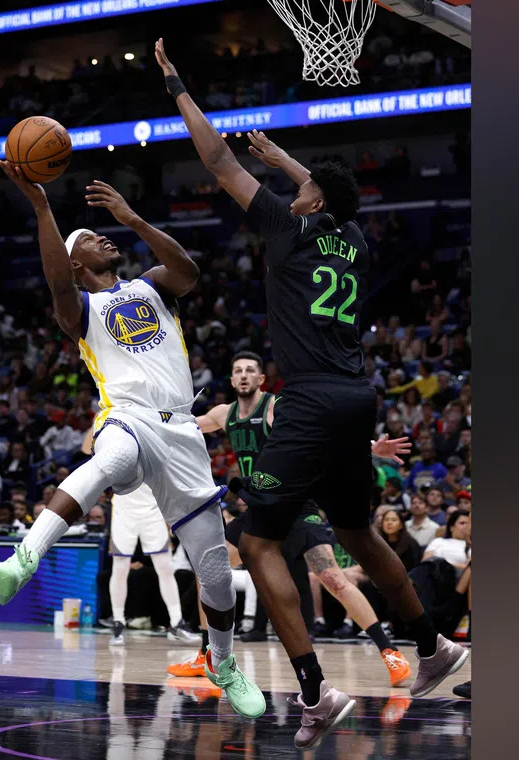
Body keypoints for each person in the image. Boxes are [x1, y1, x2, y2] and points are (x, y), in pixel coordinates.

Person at [157, 38, 468, 748]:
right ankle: (433, 646)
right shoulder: (354, 237)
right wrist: (295, 166)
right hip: (357, 395)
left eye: (301, 187)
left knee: (258, 542)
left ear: (311, 199)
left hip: (310, 401)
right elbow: (336, 197)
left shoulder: (288, 229)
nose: (292, 191)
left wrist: (176, 84)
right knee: (357, 532)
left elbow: (216, 161)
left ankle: (314, 690)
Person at [0, 163, 264, 718]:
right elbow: (58, 280)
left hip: (182, 430)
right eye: (89, 239)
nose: (103, 237)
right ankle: (23, 558)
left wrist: (131, 217)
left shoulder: (150, 286)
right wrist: (41, 207)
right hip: (128, 416)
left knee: (214, 572)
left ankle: (222, 664)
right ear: (77, 262)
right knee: (110, 458)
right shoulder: (81, 310)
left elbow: (189, 270)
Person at [167, 351, 416, 688]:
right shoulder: (223, 414)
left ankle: (390, 652)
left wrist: (370, 447)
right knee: (209, 569)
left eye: (250, 370)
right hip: (260, 508)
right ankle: (207, 654)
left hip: (296, 505)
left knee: (333, 578)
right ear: (231, 379)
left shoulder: (273, 407)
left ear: (260, 380)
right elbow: (182, 428)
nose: (243, 375)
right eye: (237, 370)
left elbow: (324, 434)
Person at [101, 479, 201, 646]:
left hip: (153, 507)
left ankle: (177, 624)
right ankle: (118, 623)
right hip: (123, 508)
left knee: (165, 568)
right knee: (120, 568)